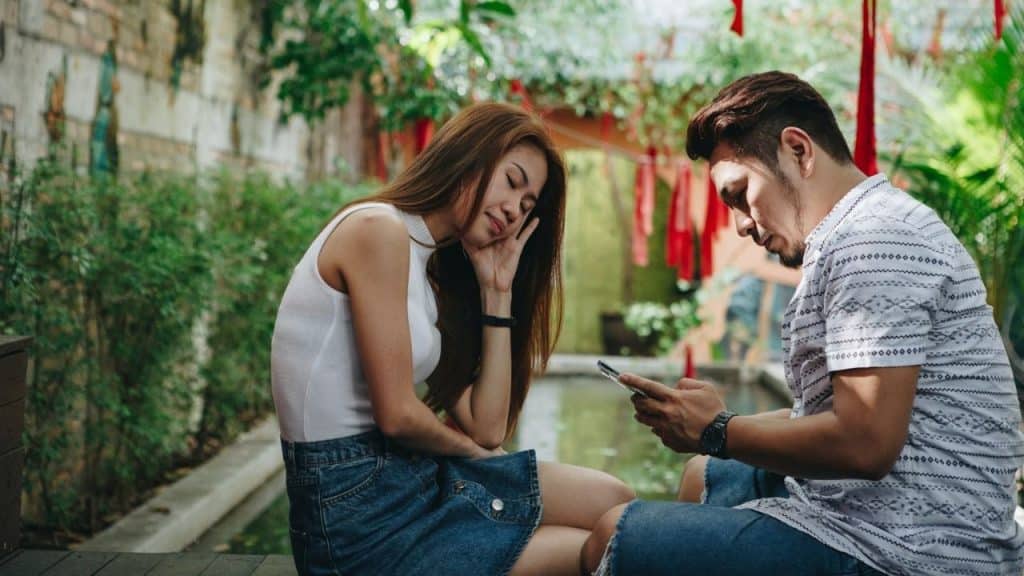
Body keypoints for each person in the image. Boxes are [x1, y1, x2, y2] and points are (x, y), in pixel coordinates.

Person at [580, 71, 1024, 576]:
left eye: (739, 193)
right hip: (885, 511)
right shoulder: (862, 229)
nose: (742, 223)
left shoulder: (874, 244)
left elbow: (866, 444)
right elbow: (841, 411)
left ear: (798, 150)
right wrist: (712, 424)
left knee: (609, 536)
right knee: (703, 476)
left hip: (913, 551)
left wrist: (719, 430)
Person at [271, 102, 634, 576]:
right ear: (470, 154)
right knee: (603, 544)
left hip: (405, 482)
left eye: (528, 206)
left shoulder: (424, 270)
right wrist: (476, 456)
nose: (513, 209)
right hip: (358, 519)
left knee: (616, 502)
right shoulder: (377, 230)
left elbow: (487, 427)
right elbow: (399, 415)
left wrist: (496, 292)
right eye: (512, 181)